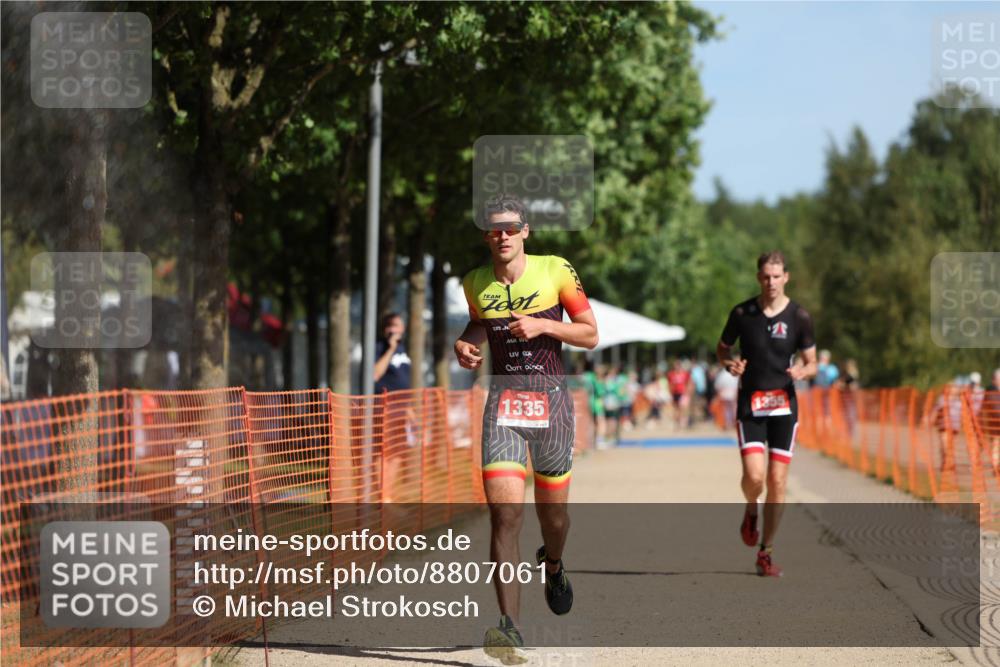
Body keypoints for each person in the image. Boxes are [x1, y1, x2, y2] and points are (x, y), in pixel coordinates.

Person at [453, 194, 598, 663]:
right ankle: (509, 628)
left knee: (552, 519)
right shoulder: (475, 283)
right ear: (485, 234)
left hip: (552, 406)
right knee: (505, 516)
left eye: (510, 228)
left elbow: (590, 334)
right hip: (503, 409)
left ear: (525, 231)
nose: (502, 236)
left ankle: (553, 563)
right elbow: (479, 326)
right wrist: (465, 344)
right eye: (494, 229)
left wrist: (543, 327)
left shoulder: (556, 270)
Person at [716, 250, 817, 577]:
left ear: (785, 277)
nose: (771, 282)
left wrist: (805, 371)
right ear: (758, 277)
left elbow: (812, 360)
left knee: (777, 481)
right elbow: (722, 348)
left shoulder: (799, 316)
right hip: (751, 405)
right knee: (756, 478)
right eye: (765, 276)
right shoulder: (742, 313)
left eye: (776, 276)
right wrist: (730, 363)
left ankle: (766, 551)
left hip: (785, 407)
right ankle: (750, 509)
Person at [373, 313, 413, 502]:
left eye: (396, 325)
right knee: (382, 451)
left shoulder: (404, 349)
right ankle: (381, 495)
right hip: (384, 407)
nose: (393, 330)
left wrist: (409, 408)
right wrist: (390, 349)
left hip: (401, 408)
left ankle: (387, 494)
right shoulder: (380, 347)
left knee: (398, 451)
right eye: (390, 326)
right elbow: (374, 374)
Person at [666, 359, 692, 430]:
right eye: (675, 366)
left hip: (683, 393)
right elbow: (669, 384)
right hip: (674, 393)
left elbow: (689, 383)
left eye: (678, 365)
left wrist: (688, 392)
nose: (677, 367)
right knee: (676, 409)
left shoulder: (685, 374)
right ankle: (677, 423)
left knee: (683, 408)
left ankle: (683, 422)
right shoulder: (671, 374)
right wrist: (669, 392)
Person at [983, 369, 1000, 474]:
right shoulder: (990, 392)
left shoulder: (988, 392)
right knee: (995, 444)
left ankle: (996, 466)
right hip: (994, 423)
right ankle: (995, 466)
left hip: (993, 422)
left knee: (995, 444)